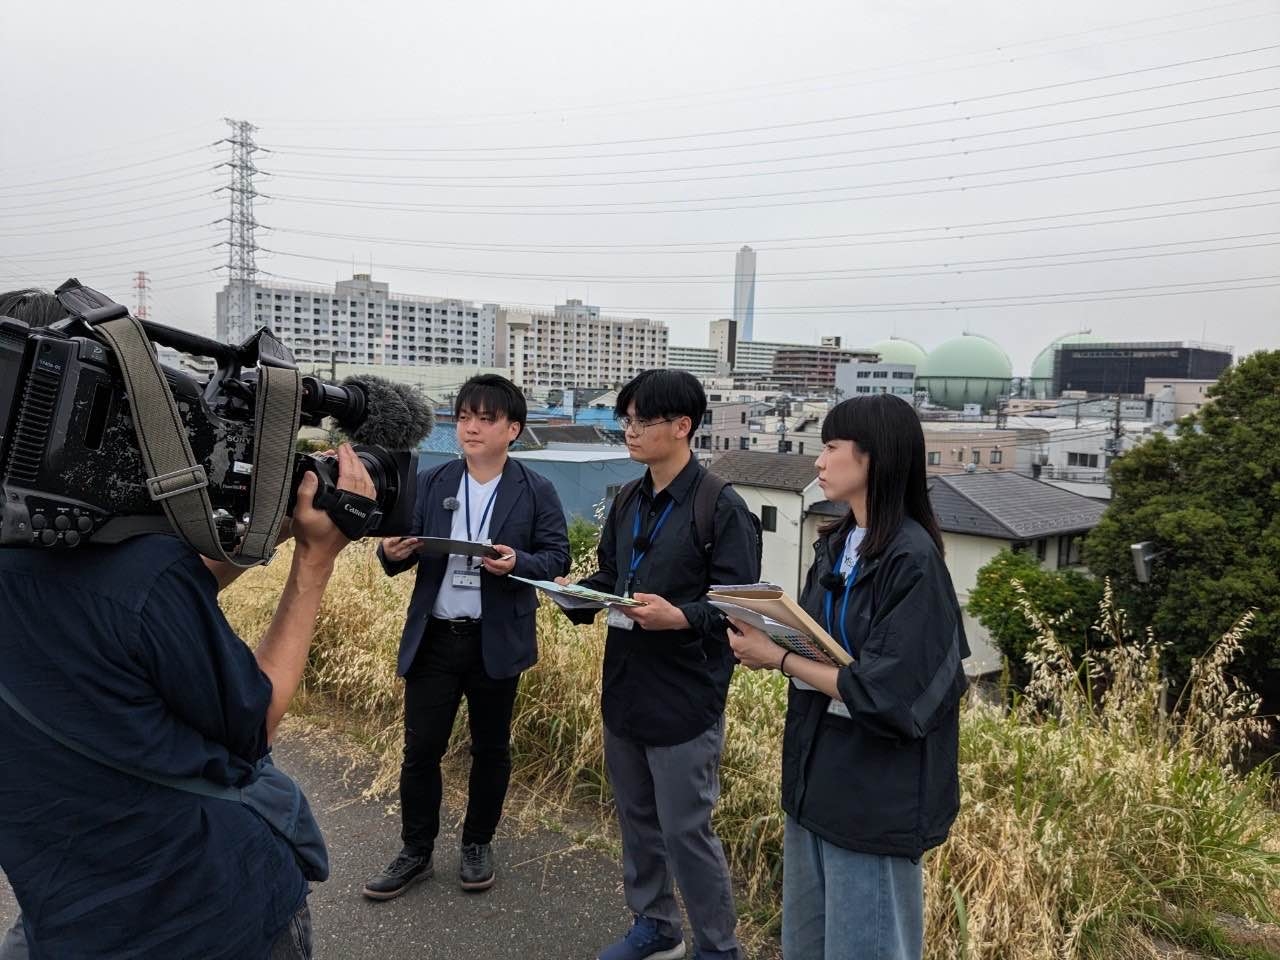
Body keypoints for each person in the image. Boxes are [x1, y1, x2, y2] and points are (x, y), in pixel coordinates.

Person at [0, 280, 376, 960]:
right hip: (204, 912)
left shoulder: (86, 571)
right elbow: (252, 726)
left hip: (65, 914)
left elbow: (130, 621)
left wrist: (275, 530)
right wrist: (315, 560)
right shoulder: (138, 578)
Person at [728, 394, 969, 960]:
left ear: (873, 458)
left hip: (874, 796)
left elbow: (888, 693)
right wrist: (766, 627)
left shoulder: (913, 561)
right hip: (816, 776)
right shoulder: (836, 544)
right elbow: (822, 642)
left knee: (867, 944)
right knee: (807, 942)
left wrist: (779, 657)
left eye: (831, 447)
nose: (819, 460)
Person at [560, 369, 760, 960]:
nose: (631, 430)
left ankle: (718, 947)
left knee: (686, 831)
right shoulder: (627, 499)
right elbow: (610, 578)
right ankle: (655, 924)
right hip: (625, 686)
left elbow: (740, 608)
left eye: (644, 419)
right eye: (627, 418)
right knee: (637, 820)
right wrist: (571, 592)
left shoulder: (720, 508)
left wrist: (681, 617)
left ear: (683, 426)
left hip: (684, 697)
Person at [363, 374, 569, 900]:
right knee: (420, 751)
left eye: (485, 418)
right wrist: (392, 552)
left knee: (491, 749)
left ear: (513, 430)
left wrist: (517, 562)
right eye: (463, 417)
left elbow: (556, 559)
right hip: (435, 636)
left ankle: (477, 843)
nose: (471, 427)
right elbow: (392, 552)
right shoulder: (432, 482)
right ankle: (416, 851)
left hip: (495, 639)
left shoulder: (535, 489)